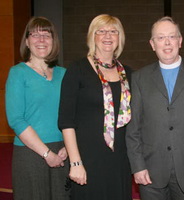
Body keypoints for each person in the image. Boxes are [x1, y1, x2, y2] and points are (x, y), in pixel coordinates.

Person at [126, 16, 184, 200]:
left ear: (180, 40)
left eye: (172, 36)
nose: (167, 43)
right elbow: (133, 128)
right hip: (150, 173)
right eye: (160, 38)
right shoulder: (139, 78)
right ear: (152, 44)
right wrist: (137, 166)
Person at [58, 14, 132, 199]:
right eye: (102, 31)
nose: (108, 36)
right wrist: (75, 162)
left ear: (119, 37)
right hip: (87, 159)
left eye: (113, 31)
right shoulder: (78, 69)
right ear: (93, 36)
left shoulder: (129, 73)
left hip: (120, 160)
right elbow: (66, 120)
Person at [5, 16, 69, 199]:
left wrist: (68, 145)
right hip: (30, 153)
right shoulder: (17, 73)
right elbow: (16, 119)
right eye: (35, 35)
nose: (41, 40)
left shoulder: (64, 74)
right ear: (27, 41)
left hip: (63, 152)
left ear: (53, 41)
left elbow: (72, 114)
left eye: (46, 35)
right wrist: (46, 153)